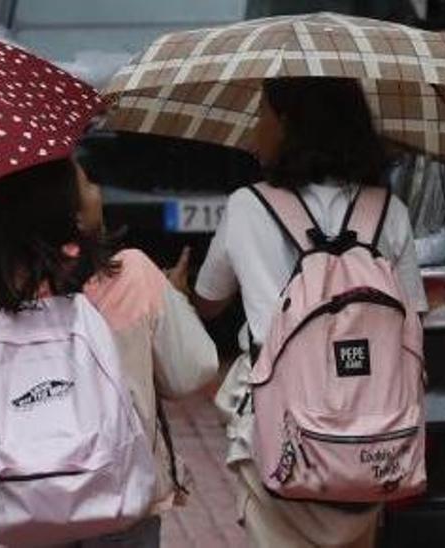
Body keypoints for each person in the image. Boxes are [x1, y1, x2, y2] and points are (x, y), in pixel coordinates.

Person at [177, 77, 428, 548]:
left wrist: (178, 291)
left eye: (261, 117)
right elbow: (414, 316)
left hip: (278, 438)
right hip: (370, 443)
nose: (255, 129)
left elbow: (209, 301)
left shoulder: (248, 206)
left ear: (287, 124)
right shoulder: (387, 211)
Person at [0, 157, 219, 546]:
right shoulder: (134, 273)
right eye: (88, 184)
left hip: (33, 503)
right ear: (74, 217)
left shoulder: (3, 292)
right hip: (121, 502)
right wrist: (173, 298)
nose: (98, 192)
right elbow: (194, 369)